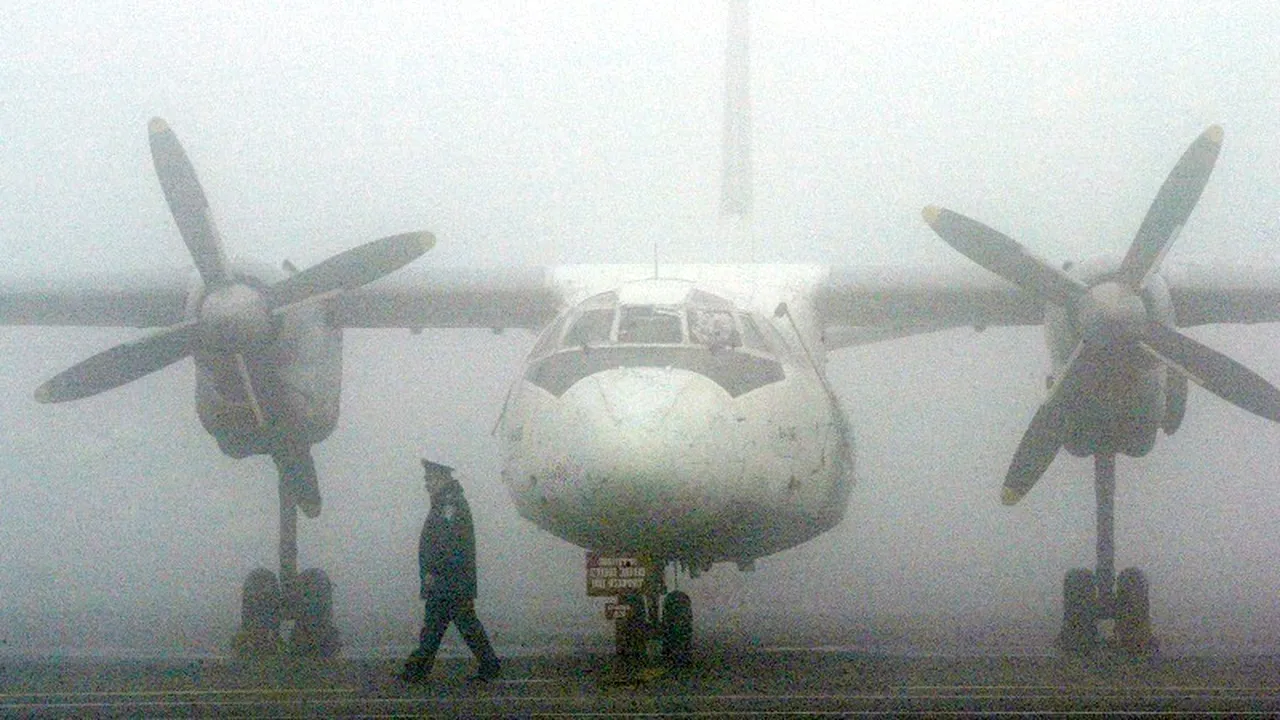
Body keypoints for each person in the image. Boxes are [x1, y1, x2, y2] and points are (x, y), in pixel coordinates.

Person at [400, 459, 502, 683]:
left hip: (450, 580)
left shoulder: (450, 504)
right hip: (449, 580)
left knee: (456, 624)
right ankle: (419, 669)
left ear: (443, 479)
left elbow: (448, 543)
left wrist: (433, 571)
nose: (426, 484)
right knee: (436, 626)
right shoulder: (445, 502)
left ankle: (489, 665)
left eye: (430, 479)